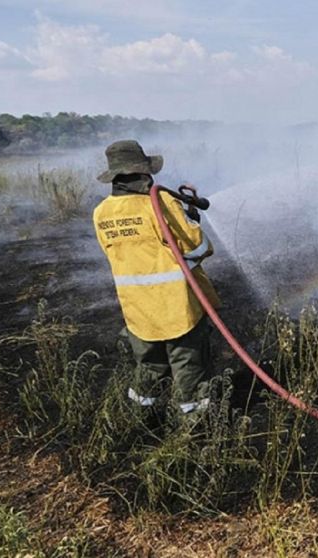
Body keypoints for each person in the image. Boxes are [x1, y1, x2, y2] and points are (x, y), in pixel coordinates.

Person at [93, 139, 221, 429]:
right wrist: (192, 220)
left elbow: (116, 253)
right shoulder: (160, 202)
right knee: (189, 367)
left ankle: (141, 423)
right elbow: (198, 248)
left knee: (149, 365)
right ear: (143, 172)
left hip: (137, 309)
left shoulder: (101, 212)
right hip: (177, 307)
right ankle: (196, 428)